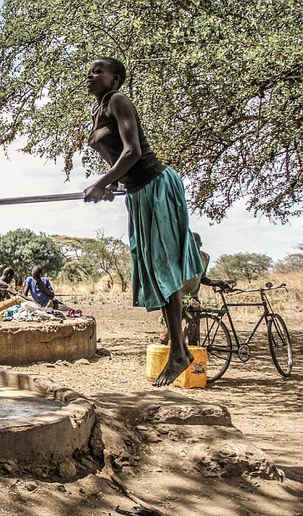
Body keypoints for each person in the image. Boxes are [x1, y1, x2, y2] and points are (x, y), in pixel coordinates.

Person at [83, 57, 203, 387]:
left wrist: (101, 181)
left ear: (116, 79)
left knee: (163, 268)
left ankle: (179, 352)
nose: (90, 75)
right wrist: (111, 184)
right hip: (138, 193)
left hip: (157, 185)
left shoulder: (119, 101)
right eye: (89, 70)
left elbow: (133, 152)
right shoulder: (98, 112)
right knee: (152, 268)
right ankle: (179, 351)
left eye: (98, 71)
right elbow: (120, 164)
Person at [159, 232, 231, 346]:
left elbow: (203, 278)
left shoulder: (205, 258)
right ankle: (162, 347)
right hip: (178, 296)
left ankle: (193, 350)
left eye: (195, 243)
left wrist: (216, 283)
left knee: (193, 326)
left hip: (193, 297)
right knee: (172, 326)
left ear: (200, 244)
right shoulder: (180, 257)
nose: (192, 246)